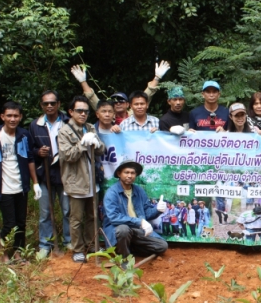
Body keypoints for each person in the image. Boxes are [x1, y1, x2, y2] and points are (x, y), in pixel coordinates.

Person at [0, 102, 42, 263]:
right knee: (9, 224)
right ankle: (4, 254)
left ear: (20, 117)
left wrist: (35, 183)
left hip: (20, 186)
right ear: (2, 117)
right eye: (9, 115)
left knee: (21, 223)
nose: (12, 119)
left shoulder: (24, 135)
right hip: (2, 186)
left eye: (16, 116)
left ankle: (18, 254)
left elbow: (30, 159)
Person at [58, 96, 106, 263]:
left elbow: (102, 150)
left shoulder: (90, 127)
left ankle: (92, 244)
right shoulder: (64, 131)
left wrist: (96, 144)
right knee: (76, 218)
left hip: (92, 181)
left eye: (86, 111)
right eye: (79, 111)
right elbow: (67, 155)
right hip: (76, 182)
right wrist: (82, 144)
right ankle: (78, 249)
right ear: (71, 112)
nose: (83, 114)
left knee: (93, 216)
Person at [29, 91, 72, 257]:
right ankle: (45, 245)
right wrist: (38, 152)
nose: (49, 106)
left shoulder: (68, 122)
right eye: (46, 103)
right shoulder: (35, 125)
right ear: (41, 105)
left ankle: (68, 241)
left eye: (52, 103)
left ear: (58, 104)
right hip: (44, 174)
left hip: (65, 174)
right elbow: (29, 150)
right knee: (45, 212)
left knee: (68, 210)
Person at [102, 160, 168, 259]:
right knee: (123, 230)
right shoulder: (112, 193)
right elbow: (114, 217)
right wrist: (140, 222)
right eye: (126, 172)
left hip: (136, 230)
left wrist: (158, 209)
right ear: (119, 174)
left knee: (162, 246)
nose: (130, 176)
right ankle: (124, 258)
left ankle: (128, 248)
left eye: (132, 173)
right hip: (118, 229)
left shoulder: (139, 190)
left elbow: (147, 212)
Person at [70, 61, 170, 123]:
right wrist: (83, 81)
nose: (117, 103)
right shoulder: (107, 116)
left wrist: (157, 78)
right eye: (114, 101)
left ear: (128, 104)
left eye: (121, 101)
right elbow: (92, 98)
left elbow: (146, 95)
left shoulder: (133, 114)